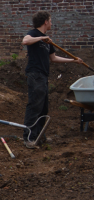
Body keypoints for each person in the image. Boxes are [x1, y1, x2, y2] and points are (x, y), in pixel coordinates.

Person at [21, 11, 84, 148]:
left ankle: (39, 136)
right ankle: (29, 138)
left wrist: (74, 61)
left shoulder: (47, 39)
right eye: (50, 20)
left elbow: (54, 58)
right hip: (35, 74)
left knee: (43, 108)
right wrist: (40, 39)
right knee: (35, 106)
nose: (51, 23)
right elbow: (25, 41)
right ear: (45, 22)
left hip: (43, 76)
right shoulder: (34, 33)